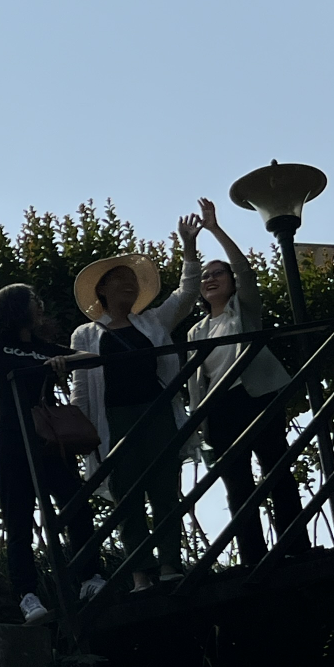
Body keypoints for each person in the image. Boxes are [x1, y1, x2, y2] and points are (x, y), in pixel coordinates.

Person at [0, 240, 101, 623]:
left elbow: (95, 358)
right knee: (19, 517)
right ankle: (27, 596)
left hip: (50, 440)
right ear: (15, 307)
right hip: (12, 440)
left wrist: (63, 360)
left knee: (76, 504)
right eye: (32, 299)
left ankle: (90, 577)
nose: (39, 305)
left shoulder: (45, 347)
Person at [68, 219, 202, 590]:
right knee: (126, 498)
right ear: (102, 289)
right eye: (119, 279)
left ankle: (171, 565)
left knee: (165, 491)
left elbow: (187, 293)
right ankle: (140, 574)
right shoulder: (85, 335)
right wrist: (82, 433)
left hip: (157, 414)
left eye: (132, 278)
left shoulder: (153, 322)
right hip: (114, 420)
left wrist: (189, 246)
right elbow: (82, 390)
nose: (129, 283)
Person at [187, 198, 304, 566]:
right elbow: (197, 383)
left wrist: (214, 229)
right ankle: (253, 556)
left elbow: (244, 269)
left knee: (277, 471)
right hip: (219, 409)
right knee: (237, 485)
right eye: (205, 276)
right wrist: (200, 420)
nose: (210, 279)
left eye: (217, 274)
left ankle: (296, 547)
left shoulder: (245, 310)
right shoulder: (196, 332)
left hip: (256, 397)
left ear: (231, 282)